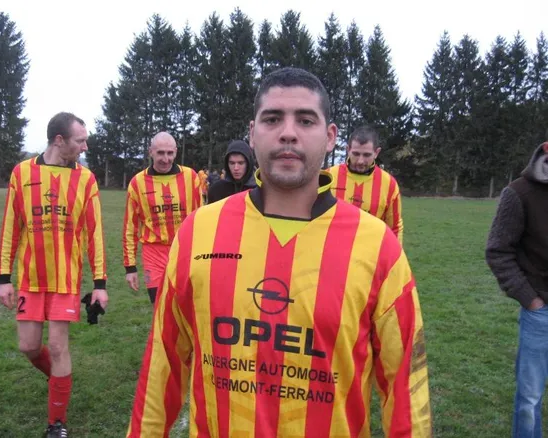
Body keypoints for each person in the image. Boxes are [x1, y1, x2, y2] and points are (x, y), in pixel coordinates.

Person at [126, 67, 431, 437]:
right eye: (273, 118)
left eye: (305, 119)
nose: (288, 132)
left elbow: (406, 390)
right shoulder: (198, 232)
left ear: (330, 137)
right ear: (253, 134)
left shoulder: (378, 246)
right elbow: (163, 366)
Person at [0, 112, 108, 438]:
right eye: (80, 140)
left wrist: (99, 284)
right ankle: (59, 380)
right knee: (29, 347)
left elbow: (95, 234)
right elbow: (9, 230)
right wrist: (4, 277)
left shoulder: (86, 179)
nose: (85, 146)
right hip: (31, 280)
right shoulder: (21, 174)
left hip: (65, 281)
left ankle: (56, 423)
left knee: (59, 348)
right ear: (59, 141)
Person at [486, 141, 548, 438]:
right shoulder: (519, 193)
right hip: (541, 313)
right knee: (530, 399)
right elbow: (497, 251)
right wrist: (530, 300)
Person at [122, 132, 202, 305]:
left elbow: (202, 220)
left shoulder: (191, 177)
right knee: (160, 309)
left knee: (186, 308)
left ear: (175, 152)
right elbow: (130, 227)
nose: (165, 159)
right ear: (150, 151)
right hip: (154, 254)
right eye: (160, 153)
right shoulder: (137, 183)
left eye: (169, 153)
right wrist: (130, 267)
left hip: (185, 251)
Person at [327, 125, 404, 242]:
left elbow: (395, 227)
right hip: (333, 249)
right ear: (348, 150)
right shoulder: (328, 177)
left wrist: (395, 258)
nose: (360, 161)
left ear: (376, 152)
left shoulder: (389, 184)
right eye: (356, 154)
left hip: (371, 253)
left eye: (367, 155)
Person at [207, 139, 257, 203]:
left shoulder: (261, 192)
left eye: (240, 163)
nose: (236, 168)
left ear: (249, 164)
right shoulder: (216, 190)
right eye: (232, 163)